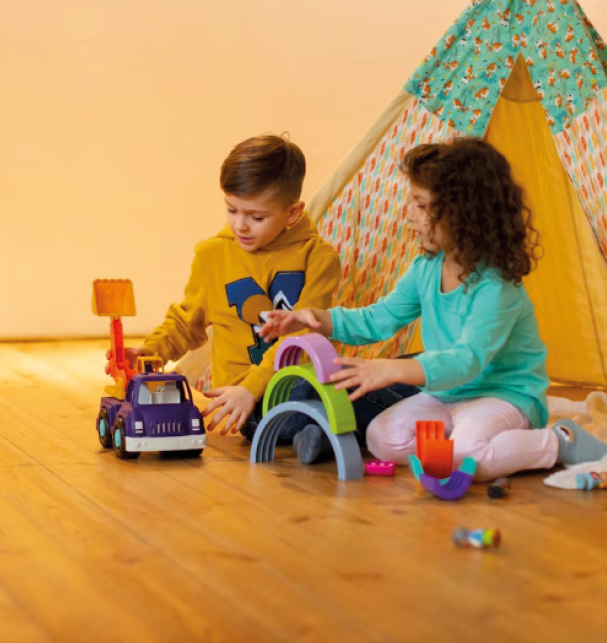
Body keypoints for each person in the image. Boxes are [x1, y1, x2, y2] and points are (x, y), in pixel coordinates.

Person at [260, 138, 607, 480]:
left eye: (421, 205)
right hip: (445, 396)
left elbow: (467, 360)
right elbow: (378, 319)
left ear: (464, 214)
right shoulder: (426, 269)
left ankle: (559, 441)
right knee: (381, 437)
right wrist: (314, 319)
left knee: (470, 457)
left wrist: (392, 370)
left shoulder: (497, 287)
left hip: (503, 396)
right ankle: (467, 445)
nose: (409, 214)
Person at [107, 134, 418, 446]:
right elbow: (186, 322)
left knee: (389, 370)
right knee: (318, 397)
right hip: (247, 402)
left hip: (300, 382)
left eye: (256, 217)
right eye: (232, 210)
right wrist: (152, 352)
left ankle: (328, 433)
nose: (240, 225)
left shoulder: (318, 257)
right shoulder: (211, 255)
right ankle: (363, 426)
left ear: (293, 213)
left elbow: (304, 334)